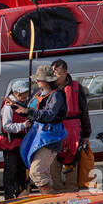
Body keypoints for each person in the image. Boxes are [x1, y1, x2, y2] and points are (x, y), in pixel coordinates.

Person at [21, 66, 67, 194]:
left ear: (47, 81)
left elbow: (49, 115)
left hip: (51, 136)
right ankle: (49, 197)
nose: (37, 82)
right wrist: (15, 107)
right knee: (41, 171)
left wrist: (28, 111)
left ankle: (49, 197)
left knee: (37, 171)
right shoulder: (38, 92)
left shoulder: (56, 95)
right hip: (38, 134)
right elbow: (29, 110)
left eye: (39, 80)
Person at [52, 58, 92, 191]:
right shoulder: (48, 87)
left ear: (65, 72)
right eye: (52, 72)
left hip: (73, 129)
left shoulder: (76, 87)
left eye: (56, 72)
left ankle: (72, 189)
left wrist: (86, 133)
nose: (54, 75)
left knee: (73, 159)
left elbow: (84, 110)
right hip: (55, 129)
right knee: (54, 161)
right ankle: (56, 190)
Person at [0, 78, 32, 199]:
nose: (24, 96)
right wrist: (23, 125)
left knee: (22, 170)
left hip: (22, 142)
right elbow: (6, 126)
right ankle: (9, 196)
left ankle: (22, 193)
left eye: (26, 93)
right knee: (11, 171)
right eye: (21, 94)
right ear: (15, 93)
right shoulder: (8, 106)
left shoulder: (25, 104)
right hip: (10, 142)